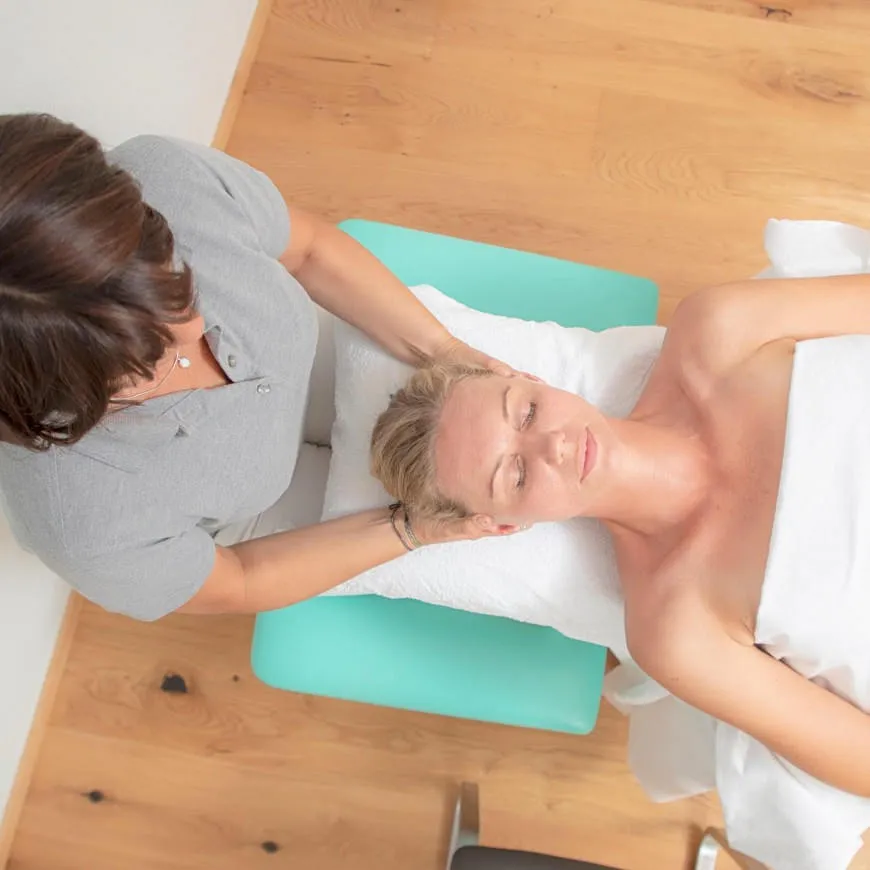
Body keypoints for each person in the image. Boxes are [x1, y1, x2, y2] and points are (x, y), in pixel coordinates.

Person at [369, 273, 870, 805]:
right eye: (515, 475)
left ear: (530, 378)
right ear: (503, 525)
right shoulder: (677, 627)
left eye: (527, 412)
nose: (553, 447)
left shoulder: (718, 331)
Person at [0, 112, 512, 622]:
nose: (195, 327)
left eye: (176, 283)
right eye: (148, 355)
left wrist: (442, 348)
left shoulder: (166, 178)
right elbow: (240, 579)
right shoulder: (84, 523)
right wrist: (411, 531)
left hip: (307, 364)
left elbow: (309, 250)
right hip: (256, 516)